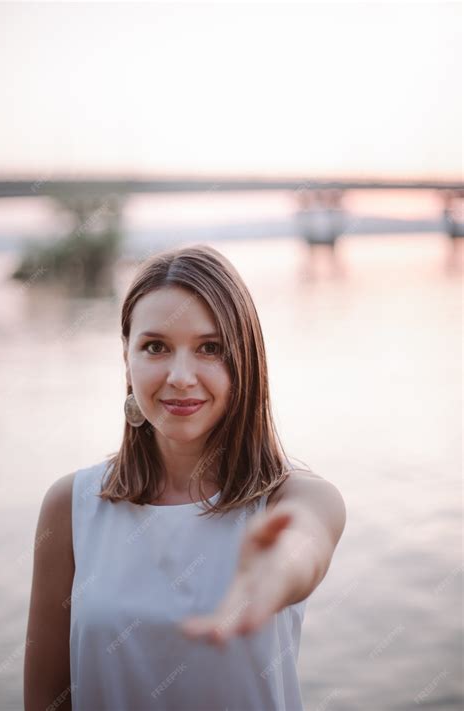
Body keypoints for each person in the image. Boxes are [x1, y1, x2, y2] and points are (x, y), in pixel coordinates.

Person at [24, 244, 346, 710]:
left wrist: (280, 571)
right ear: (127, 360)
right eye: (156, 347)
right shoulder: (70, 506)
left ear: (245, 361)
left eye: (209, 349)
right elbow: (46, 701)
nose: (180, 376)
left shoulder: (292, 497)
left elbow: (307, 540)